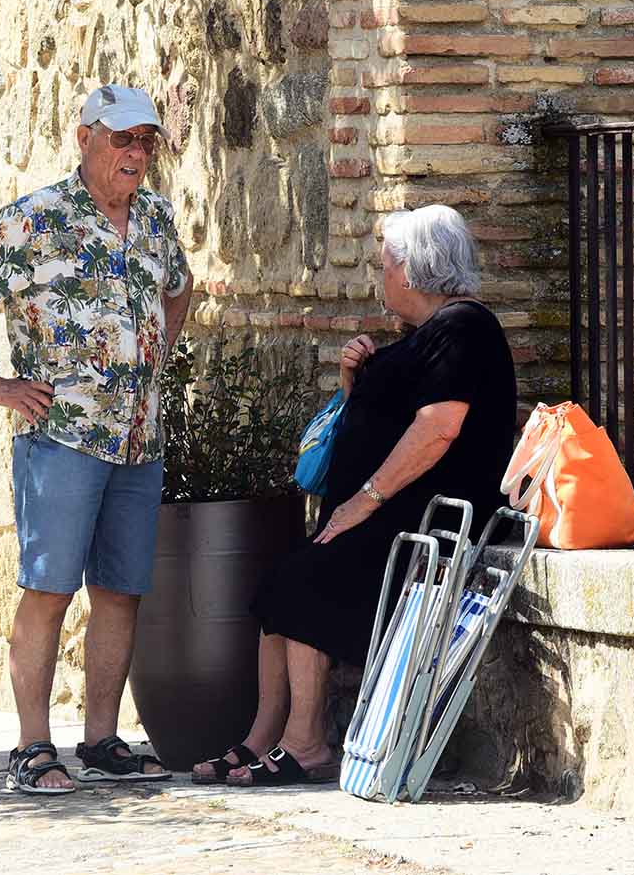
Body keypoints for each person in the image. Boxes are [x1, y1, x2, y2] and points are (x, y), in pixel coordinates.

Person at [192, 204, 517, 787]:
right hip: (385, 514)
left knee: (305, 581)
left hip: (420, 522)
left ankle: (307, 742)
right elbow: (389, 413)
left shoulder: (466, 327)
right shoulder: (426, 334)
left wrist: (363, 499)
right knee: (278, 582)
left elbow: (437, 428)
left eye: (386, 264)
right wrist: (355, 380)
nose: (381, 275)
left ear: (414, 272)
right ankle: (261, 737)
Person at [0, 85, 194, 795]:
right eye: (122, 140)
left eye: (146, 141)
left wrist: (153, 357)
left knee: (119, 591)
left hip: (139, 437)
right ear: (85, 139)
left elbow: (180, 288)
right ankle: (30, 747)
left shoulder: (156, 217)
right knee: (47, 590)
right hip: (63, 437)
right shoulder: (35, 219)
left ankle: (103, 741)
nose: (136, 154)